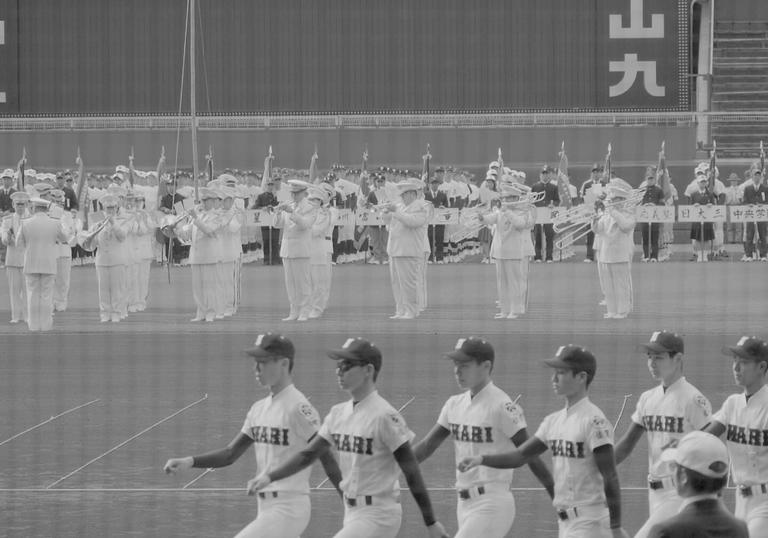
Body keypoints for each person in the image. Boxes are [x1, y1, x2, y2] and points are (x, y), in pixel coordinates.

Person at [246, 337, 448, 538]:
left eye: (347, 365)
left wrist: (430, 522)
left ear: (368, 370)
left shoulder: (385, 416)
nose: (339, 371)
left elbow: (411, 470)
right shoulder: (337, 414)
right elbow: (308, 455)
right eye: (338, 365)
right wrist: (269, 477)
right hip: (352, 513)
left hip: (380, 515)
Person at [164, 333, 343, 538]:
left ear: (284, 364)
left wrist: (348, 501)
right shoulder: (258, 409)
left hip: (289, 508)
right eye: (256, 362)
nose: (256, 368)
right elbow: (230, 453)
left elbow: (326, 457)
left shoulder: (299, 408)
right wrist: (189, 461)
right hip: (266, 508)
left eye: (263, 362)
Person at [457, 344, 630, 538]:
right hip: (566, 523)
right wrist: (481, 459)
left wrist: (615, 526)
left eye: (562, 372)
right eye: (554, 372)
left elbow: (610, 476)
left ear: (582, 377)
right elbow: (521, 455)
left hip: (591, 523)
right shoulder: (553, 422)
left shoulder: (594, 421)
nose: (554, 378)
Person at [412, 336, 554, 537]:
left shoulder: (502, 406)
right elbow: (427, 445)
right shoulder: (454, 404)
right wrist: (390, 464)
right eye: (455, 364)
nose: (457, 371)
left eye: (465, 365)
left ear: (486, 366)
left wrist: (556, 494)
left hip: (492, 503)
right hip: (464, 505)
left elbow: (529, 454)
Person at [613, 331, 712, 538]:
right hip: (655, 493)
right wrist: (597, 467)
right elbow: (627, 444)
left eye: (658, 357)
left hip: (681, 492)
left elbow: (711, 448)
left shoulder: (693, 400)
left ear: (678, 359)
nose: (652, 362)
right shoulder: (648, 399)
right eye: (649, 357)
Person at [704, 335, 768, 538]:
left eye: (744, 362)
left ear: (762, 367)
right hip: (741, 502)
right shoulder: (732, 404)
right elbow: (705, 438)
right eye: (735, 361)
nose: (736, 367)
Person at [647, 431, 748, 538]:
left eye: (673, 466)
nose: (672, 472)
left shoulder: (665, 532)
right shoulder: (740, 529)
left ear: (683, 476)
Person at [477, 182, 535, 319]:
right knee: (502, 283)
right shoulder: (501, 212)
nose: (505, 201)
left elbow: (520, 224)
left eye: (508, 198)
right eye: (505, 198)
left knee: (515, 282)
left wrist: (507, 211)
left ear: (515, 199)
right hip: (500, 252)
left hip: (514, 252)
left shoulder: (524, 212)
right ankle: (504, 309)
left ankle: (515, 309)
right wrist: (481, 217)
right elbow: (490, 219)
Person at [15, 197, 70, 331]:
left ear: (34, 208)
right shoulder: (55, 223)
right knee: (46, 295)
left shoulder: (25, 223)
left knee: (32, 295)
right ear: (46, 209)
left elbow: (18, 244)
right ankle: (45, 326)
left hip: (31, 263)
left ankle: (33, 325)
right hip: (48, 263)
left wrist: (28, 251)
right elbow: (64, 239)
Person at [382, 178, 429, 319]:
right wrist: (385, 212)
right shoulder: (401, 207)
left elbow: (412, 222)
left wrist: (396, 211)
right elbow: (388, 223)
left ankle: (412, 310)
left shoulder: (421, 207)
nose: (401, 197)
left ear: (411, 194)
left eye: (403, 195)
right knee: (397, 283)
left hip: (409, 250)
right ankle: (400, 310)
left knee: (409, 284)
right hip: (395, 249)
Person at [175, 188, 224, 323]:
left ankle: (211, 312)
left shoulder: (217, 215)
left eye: (205, 201)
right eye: (202, 201)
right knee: (197, 287)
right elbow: (189, 234)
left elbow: (209, 231)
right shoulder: (198, 216)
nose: (202, 203)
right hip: (196, 255)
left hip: (209, 256)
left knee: (209, 287)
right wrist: (177, 230)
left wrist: (195, 218)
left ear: (213, 201)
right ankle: (201, 311)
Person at [273, 179, 317, 321]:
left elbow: (305, 225)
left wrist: (292, 212)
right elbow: (277, 225)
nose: (293, 196)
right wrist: (278, 213)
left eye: (297, 193)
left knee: (302, 282)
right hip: (287, 249)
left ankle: (305, 310)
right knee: (290, 283)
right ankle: (294, 310)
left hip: (301, 249)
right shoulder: (289, 205)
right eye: (292, 193)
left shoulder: (310, 207)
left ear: (304, 193)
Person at [82, 194, 130, 323]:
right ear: (103, 208)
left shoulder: (122, 220)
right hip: (102, 260)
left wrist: (114, 224)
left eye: (112, 208)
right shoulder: (96, 219)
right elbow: (90, 244)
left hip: (117, 259)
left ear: (116, 207)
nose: (110, 211)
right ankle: (104, 313)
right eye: (108, 208)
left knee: (116, 288)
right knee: (103, 289)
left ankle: (116, 312)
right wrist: (92, 234)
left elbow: (122, 237)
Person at [591, 184, 636, 319]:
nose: (611, 202)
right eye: (611, 199)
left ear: (622, 199)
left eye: (615, 199)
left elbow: (626, 227)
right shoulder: (606, 214)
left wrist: (614, 213)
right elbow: (598, 231)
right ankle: (611, 310)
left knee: (621, 284)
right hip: (605, 254)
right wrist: (594, 219)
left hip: (620, 254)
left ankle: (623, 310)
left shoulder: (628, 214)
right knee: (609, 285)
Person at [308, 184, 335, 318]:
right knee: (310, 279)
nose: (312, 202)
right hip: (309, 246)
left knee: (323, 279)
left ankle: (320, 305)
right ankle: (311, 304)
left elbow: (321, 228)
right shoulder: (309, 212)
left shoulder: (330, 211)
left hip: (324, 244)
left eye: (315, 199)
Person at [1, 191, 29, 323]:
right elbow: (4, 240)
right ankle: (16, 316)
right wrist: (8, 236)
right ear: (13, 204)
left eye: (23, 204)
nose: (20, 207)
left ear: (27, 205)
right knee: (14, 290)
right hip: (12, 259)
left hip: (27, 259)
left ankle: (27, 316)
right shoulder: (7, 220)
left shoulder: (31, 220)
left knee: (28, 290)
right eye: (18, 204)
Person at [531, 165, 560, 263]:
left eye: (547, 174)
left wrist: (553, 204)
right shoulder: (535, 186)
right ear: (540, 175)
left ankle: (549, 257)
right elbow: (531, 201)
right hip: (538, 215)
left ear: (550, 175)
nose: (545, 176)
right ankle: (538, 256)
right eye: (543, 174)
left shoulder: (554, 187)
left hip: (549, 215)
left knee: (549, 236)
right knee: (537, 236)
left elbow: (557, 200)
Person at [579, 164, 607, 263]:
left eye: (597, 172)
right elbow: (582, 198)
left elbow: (608, 197)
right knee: (590, 234)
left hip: (602, 212)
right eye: (594, 172)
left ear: (601, 173)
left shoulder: (605, 183)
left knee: (602, 233)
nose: (595, 174)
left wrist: (602, 199)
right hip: (590, 212)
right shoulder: (586, 184)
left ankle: (602, 255)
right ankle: (589, 256)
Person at [639, 167, 666, 262]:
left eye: (652, 179)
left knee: (654, 238)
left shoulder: (659, 190)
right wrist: (645, 205)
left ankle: (654, 256)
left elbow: (662, 203)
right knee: (645, 238)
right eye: (648, 179)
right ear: (646, 179)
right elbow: (638, 203)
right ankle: (646, 256)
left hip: (655, 217)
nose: (650, 180)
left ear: (654, 179)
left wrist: (654, 205)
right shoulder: (641, 191)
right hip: (644, 217)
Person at [253, 177, 282, 265]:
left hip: (275, 221)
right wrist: (263, 208)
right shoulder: (261, 196)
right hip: (265, 222)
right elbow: (254, 207)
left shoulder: (278, 196)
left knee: (275, 240)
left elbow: (282, 205)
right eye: (269, 185)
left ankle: (275, 259)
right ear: (266, 186)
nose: (270, 187)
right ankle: (266, 259)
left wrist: (275, 205)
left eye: (272, 184)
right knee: (266, 241)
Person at [688, 175, 717, 262]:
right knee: (697, 238)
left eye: (704, 182)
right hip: (697, 220)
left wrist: (711, 206)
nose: (703, 183)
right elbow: (690, 207)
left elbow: (714, 206)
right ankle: (699, 254)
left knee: (707, 238)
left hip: (707, 220)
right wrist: (694, 206)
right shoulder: (693, 194)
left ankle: (705, 255)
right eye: (701, 182)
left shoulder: (710, 194)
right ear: (698, 183)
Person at [742, 168, 768, 261]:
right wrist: (748, 205)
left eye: (758, 176)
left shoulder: (765, 188)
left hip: (762, 215)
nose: (757, 177)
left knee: (763, 235)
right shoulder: (747, 188)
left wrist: (763, 204)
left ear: (761, 177)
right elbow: (744, 201)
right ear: (752, 177)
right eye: (755, 176)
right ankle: (749, 255)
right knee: (750, 235)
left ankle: (763, 255)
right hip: (751, 214)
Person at [424, 177, 448, 263]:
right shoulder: (425, 195)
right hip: (429, 221)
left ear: (438, 184)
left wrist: (444, 208)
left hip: (440, 220)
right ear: (429, 185)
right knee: (429, 238)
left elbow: (447, 207)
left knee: (439, 239)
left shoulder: (443, 195)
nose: (434, 185)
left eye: (436, 183)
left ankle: (439, 258)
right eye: (433, 183)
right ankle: (430, 257)